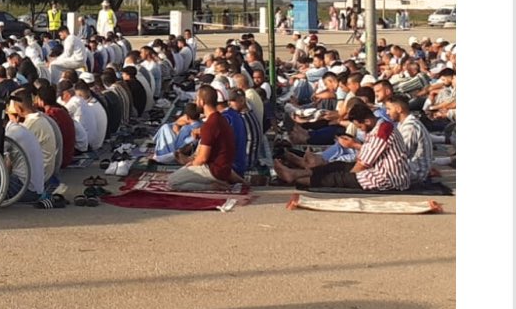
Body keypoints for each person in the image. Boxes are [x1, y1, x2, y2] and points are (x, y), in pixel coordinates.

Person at [274, 102, 411, 192]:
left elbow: (363, 164)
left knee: (336, 178)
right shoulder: (377, 127)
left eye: (360, 126)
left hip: (387, 178)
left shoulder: (383, 131)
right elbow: (366, 154)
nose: (361, 130)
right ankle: (295, 174)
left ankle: (295, 177)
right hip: (376, 170)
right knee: (336, 166)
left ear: (368, 121)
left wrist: (347, 176)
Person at [169, 86, 240, 192]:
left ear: (202, 102)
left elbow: (202, 158)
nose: (196, 102)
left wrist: (191, 164)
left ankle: (211, 187)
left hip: (214, 170)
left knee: (173, 182)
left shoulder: (210, 124)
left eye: (197, 99)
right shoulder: (220, 119)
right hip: (224, 169)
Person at [386, 95, 434, 185]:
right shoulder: (403, 124)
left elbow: (400, 154)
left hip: (415, 171)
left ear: (399, 109)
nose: (387, 112)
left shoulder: (410, 126)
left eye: (389, 109)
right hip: (411, 168)